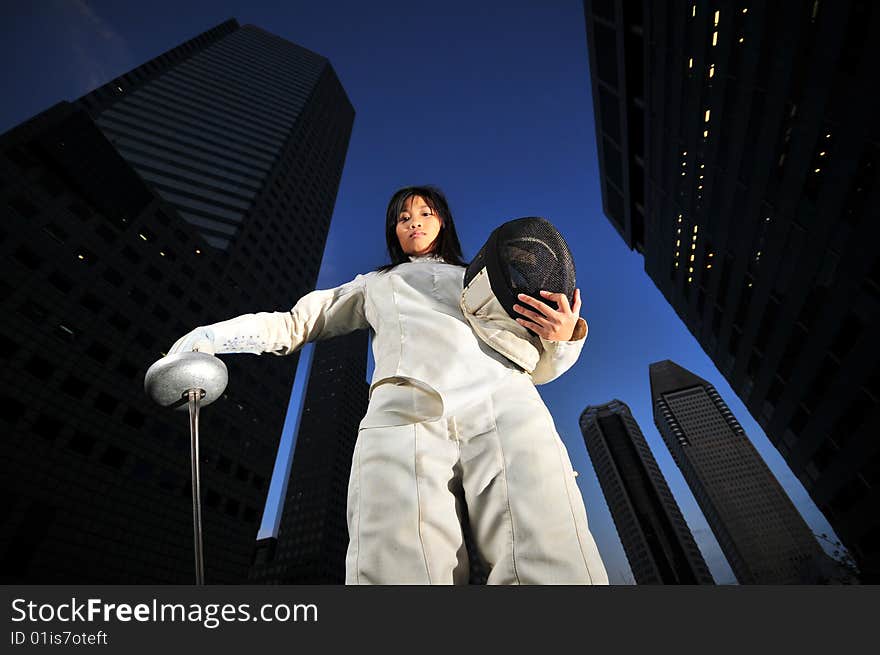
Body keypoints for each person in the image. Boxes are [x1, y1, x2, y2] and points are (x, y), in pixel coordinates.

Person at [168, 185, 609, 585]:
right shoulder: (374, 284)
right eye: (403, 218)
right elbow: (294, 324)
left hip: (504, 403)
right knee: (396, 567)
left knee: (550, 555)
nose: (414, 221)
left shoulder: (486, 279)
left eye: (425, 212)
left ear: (443, 223)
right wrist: (209, 337)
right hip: (406, 415)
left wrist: (564, 335)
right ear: (394, 233)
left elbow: (538, 365)